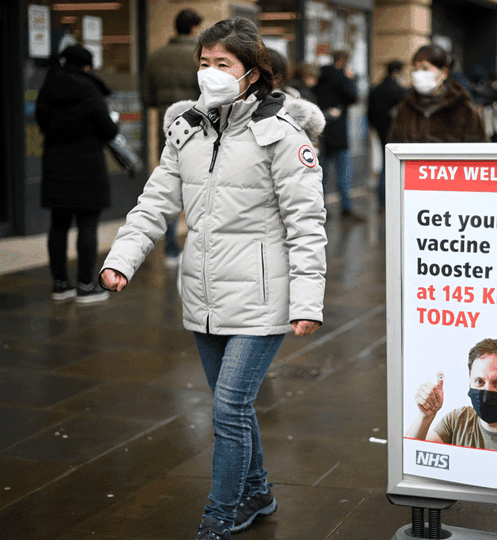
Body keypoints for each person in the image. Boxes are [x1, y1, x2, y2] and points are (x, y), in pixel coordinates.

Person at [99, 17, 327, 540]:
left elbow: (307, 226)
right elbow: (155, 203)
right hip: (202, 294)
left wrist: (307, 302)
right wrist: (122, 258)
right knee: (235, 406)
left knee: (228, 407)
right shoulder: (188, 129)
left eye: (222, 64)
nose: (210, 74)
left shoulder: (283, 136)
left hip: (263, 297)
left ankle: (219, 516)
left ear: (252, 72)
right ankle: (258, 491)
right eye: (204, 64)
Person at [35, 44, 118, 303]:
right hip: (87, 166)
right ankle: (85, 285)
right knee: (87, 223)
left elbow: (40, 121)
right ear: (86, 66)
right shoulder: (90, 88)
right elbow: (108, 130)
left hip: (56, 163)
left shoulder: (48, 86)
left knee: (58, 224)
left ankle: (60, 284)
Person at [142, 8, 203, 268]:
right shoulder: (199, 57)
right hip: (199, 128)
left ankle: (170, 248)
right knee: (199, 188)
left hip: (168, 129)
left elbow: (148, 98)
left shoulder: (155, 57)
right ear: (193, 29)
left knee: (170, 186)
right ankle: (198, 248)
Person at [388, 44, 486, 144]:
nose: (418, 74)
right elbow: (395, 145)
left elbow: (479, 149)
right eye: (415, 69)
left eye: (425, 68)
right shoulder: (406, 107)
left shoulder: (463, 108)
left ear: (443, 73)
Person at [315, 50, 364, 221]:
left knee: (322, 174)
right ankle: (346, 208)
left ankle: (321, 209)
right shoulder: (341, 77)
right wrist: (352, 79)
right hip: (338, 132)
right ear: (343, 60)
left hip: (321, 131)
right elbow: (353, 97)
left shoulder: (320, 76)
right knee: (344, 172)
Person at [367, 60, 407, 208]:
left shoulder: (376, 89)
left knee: (385, 163)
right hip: (396, 133)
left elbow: (369, 113)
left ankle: (382, 199)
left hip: (380, 131)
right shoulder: (399, 91)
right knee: (393, 165)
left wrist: (376, 126)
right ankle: (390, 199)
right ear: (396, 72)